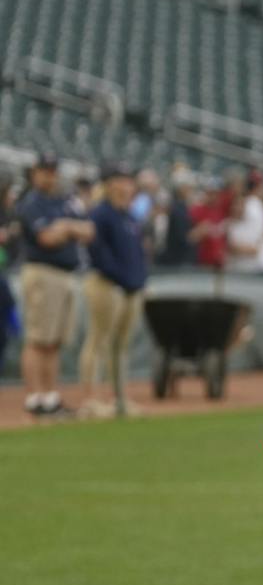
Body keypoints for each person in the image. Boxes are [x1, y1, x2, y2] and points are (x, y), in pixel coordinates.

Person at [16, 154, 93, 418]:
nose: (50, 176)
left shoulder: (62, 201)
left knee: (55, 341)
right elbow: (46, 238)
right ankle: (35, 397)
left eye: (53, 171)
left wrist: (65, 226)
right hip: (42, 272)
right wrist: (68, 229)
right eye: (45, 171)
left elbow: (88, 231)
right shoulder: (32, 203)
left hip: (65, 274)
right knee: (38, 338)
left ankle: (50, 397)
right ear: (34, 173)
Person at [79, 165, 147, 418]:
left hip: (129, 287)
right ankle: (91, 399)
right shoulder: (101, 213)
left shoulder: (128, 216)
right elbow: (99, 254)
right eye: (120, 180)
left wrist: (137, 280)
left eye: (129, 180)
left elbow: (138, 253)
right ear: (109, 184)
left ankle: (120, 399)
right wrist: (122, 278)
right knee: (98, 341)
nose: (126, 186)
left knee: (120, 346)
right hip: (105, 284)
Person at [224, 171, 263, 273]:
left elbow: (255, 247)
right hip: (246, 269)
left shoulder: (254, 205)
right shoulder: (254, 205)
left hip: (256, 266)